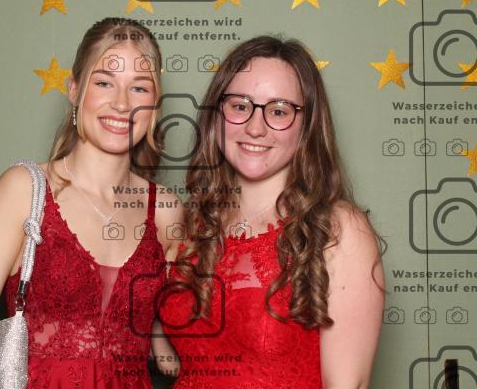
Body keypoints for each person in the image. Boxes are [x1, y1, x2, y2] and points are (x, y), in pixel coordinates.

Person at [0, 17, 182, 389]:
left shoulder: (165, 211)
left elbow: (172, 344)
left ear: (154, 103)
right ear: (74, 89)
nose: (122, 103)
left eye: (139, 87)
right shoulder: (23, 191)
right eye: (104, 82)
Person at [155, 36, 386, 388]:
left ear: (307, 125)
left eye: (278, 111)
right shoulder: (189, 228)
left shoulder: (339, 230)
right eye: (240, 106)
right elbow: (171, 358)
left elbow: (347, 383)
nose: (255, 127)